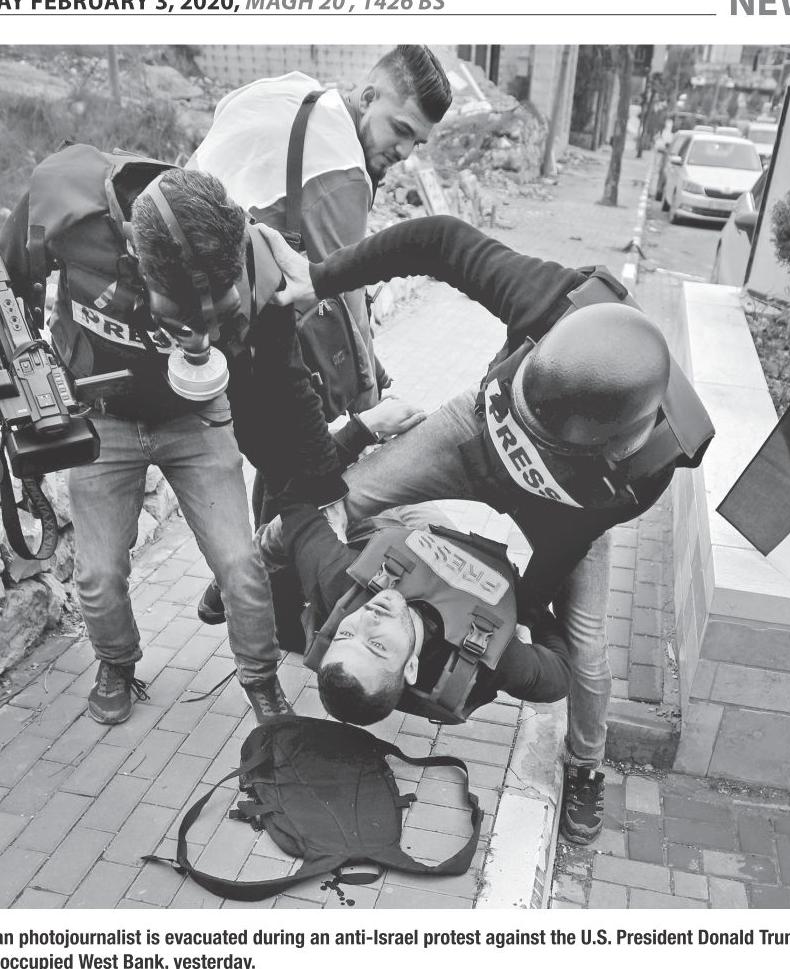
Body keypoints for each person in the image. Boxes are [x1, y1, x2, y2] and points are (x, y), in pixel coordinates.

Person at [260, 214, 714, 845]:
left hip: (563, 510)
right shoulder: (553, 298)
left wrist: (516, 613)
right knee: (341, 500)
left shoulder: (643, 476)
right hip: (471, 434)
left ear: (609, 444)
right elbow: (438, 241)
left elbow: (559, 554)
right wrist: (320, 277)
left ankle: (586, 764)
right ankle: (247, 576)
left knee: (587, 646)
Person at [0, 145, 340, 726]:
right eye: (184, 318)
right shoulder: (63, 209)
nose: (200, 338)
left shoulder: (244, 251)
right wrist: (25, 381)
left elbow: (288, 379)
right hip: (102, 417)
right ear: (136, 257)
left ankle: (260, 678)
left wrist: (325, 485)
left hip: (196, 418)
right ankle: (116, 663)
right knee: (98, 575)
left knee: (241, 567)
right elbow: (1, 290)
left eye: (213, 318)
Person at [187, 45, 453, 639]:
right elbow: (341, 284)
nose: (406, 153)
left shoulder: (300, 99)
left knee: (279, 465)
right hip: (264, 341)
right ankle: (258, 599)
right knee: (302, 472)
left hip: (223, 323)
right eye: (401, 130)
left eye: (418, 142)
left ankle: (260, 597)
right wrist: (369, 401)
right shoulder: (342, 169)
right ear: (369, 96)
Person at [255, 499, 573, 726]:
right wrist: (527, 610)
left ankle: (245, 590)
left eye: (346, 634)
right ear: (411, 667)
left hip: (378, 527)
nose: (368, 618)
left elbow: (298, 512)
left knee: (289, 520)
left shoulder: (342, 585)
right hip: (450, 546)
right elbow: (560, 677)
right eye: (376, 645)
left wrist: (360, 437)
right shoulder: (491, 662)